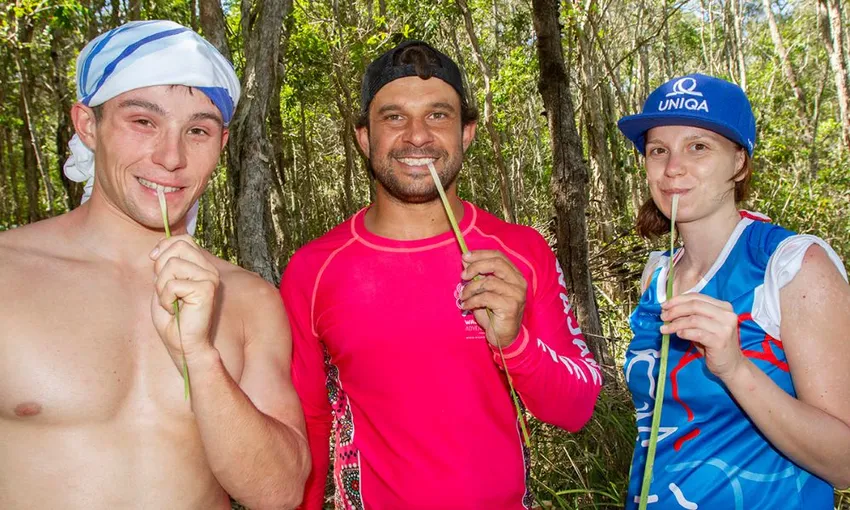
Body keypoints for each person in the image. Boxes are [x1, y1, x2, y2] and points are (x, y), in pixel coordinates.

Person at [280, 40, 602, 510]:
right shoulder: (314, 269)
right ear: (364, 137)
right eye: (393, 117)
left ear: (466, 132)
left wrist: (515, 344)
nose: (416, 136)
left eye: (437, 115)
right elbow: (309, 421)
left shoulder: (520, 251)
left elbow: (577, 407)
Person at [0, 20, 309, 509]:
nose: (171, 157)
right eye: (143, 121)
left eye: (198, 131)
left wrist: (200, 357)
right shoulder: (7, 275)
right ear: (87, 125)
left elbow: (279, 493)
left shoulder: (249, 299)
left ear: (221, 145)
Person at [618, 74, 850, 508]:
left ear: (739, 162)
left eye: (698, 147)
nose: (672, 168)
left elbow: (845, 463)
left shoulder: (792, 265)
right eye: (658, 150)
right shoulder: (658, 275)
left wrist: (736, 369)